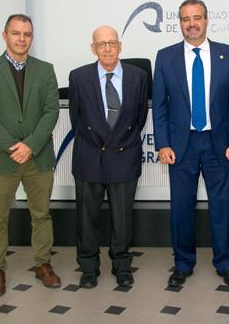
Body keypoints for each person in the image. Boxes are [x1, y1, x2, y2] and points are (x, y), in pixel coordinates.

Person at [153, 0, 229, 288]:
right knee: (181, 207)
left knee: (222, 205)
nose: (191, 23)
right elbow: (160, 105)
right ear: (179, 23)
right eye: (185, 19)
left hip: (218, 143)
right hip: (182, 145)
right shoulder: (165, 57)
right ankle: (182, 263)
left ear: (207, 20)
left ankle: (226, 263)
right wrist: (163, 144)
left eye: (197, 17)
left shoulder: (227, 54)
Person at [0, 14, 61, 297]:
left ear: (32, 38)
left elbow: (51, 111)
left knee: (42, 215)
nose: (22, 38)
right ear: (5, 36)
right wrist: (13, 146)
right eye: (16, 33)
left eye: (27, 34)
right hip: (1, 158)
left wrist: (30, 145)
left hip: (38, 157)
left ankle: (43, 264)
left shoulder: (45, 70)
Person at [68, 25, 149, 288]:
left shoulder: (138, 76)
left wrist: (118, 141)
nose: (107, 48)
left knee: (122, 218)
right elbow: (77, 119)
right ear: (93, 48)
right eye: (101, 44)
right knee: (86, 217)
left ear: (120, 46)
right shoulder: (78, 77)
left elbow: (139, 118)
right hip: (89, 155)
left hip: (124, 154)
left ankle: (122, 265)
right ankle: (89, 266)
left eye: (112, 43)